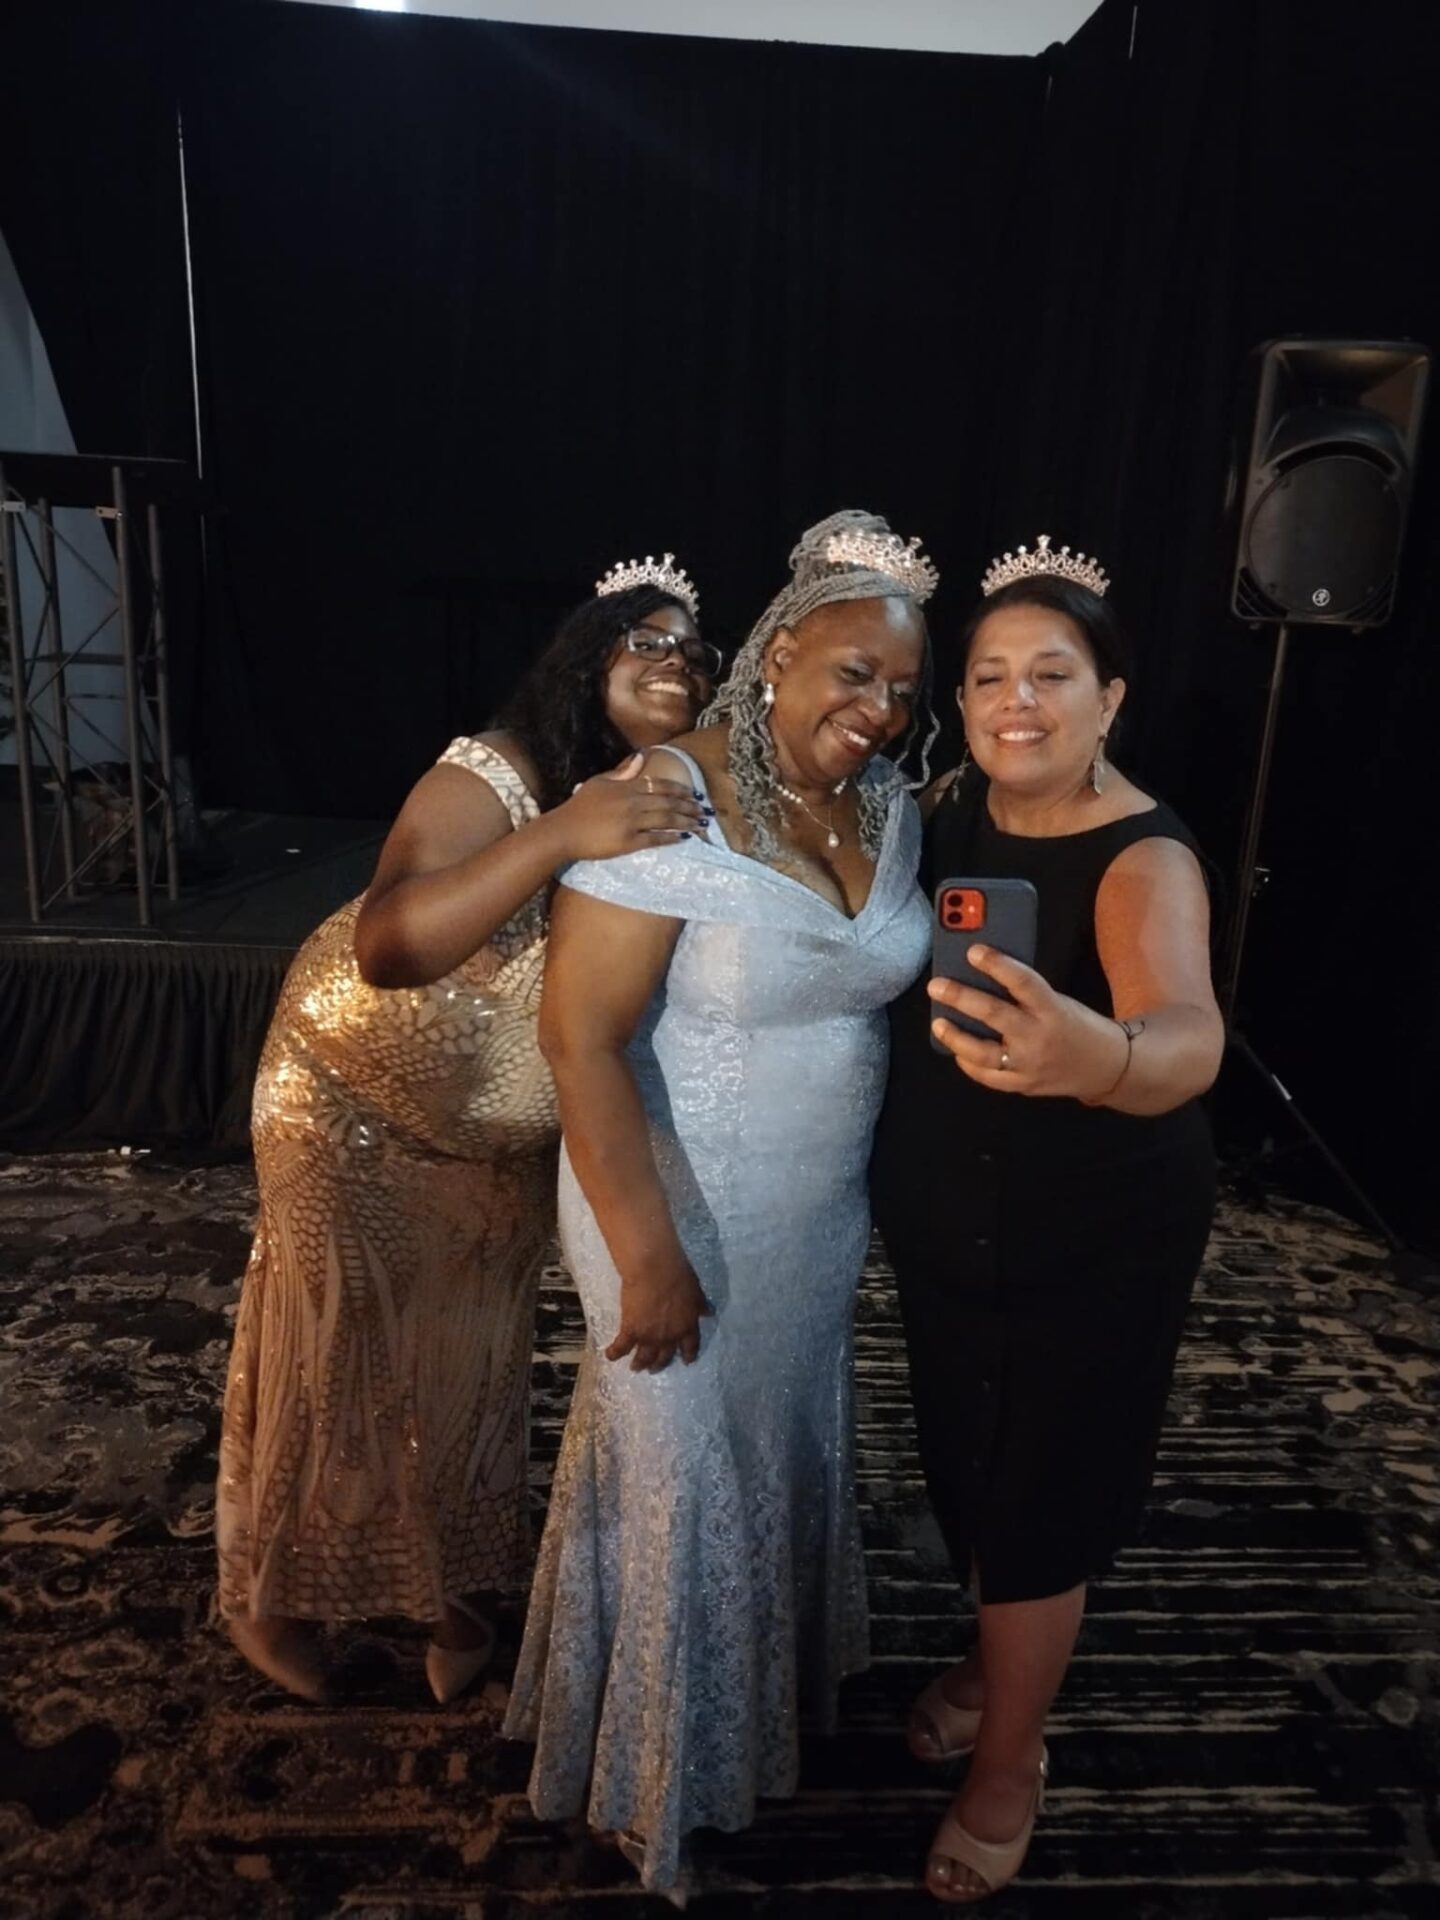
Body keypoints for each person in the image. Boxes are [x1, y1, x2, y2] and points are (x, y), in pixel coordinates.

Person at [502, 510, 937, 1898]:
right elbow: (577, 1039)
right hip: (671, 1206)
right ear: (778, 652)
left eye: (903, 687)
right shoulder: (664, 797)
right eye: (855, 673)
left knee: (775, 1450)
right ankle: (658, 1782)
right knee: (684, 1471)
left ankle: (762, 1707)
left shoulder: (890, 800)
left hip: (815, 1218)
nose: (880, 709)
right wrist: (647, 1256)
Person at [216, 555, 716, 1706]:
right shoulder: (499, 769)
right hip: (346, 1100)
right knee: (334, 1356)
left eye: (697, 652)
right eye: (648, 640)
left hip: (498, 1133)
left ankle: (454, 1588)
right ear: (587, 658)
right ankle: (272, 1594)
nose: (677, 663)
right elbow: (390, 944)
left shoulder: (678, 790)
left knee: (469, 1369)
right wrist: (564, 832)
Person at [871, 536, 1224, 1903]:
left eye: (1052, 673)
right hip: (952, 1238)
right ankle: (992, 1661)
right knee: (973, 1471)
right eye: (988, 676)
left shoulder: (1146, 856)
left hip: (1089, 1245)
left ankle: (1012, 1760)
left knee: (1037, 1498)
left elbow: (1188, 1039)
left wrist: (1100, 1055)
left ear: (1110, 696)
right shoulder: (947, 812)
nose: (1017, 699)